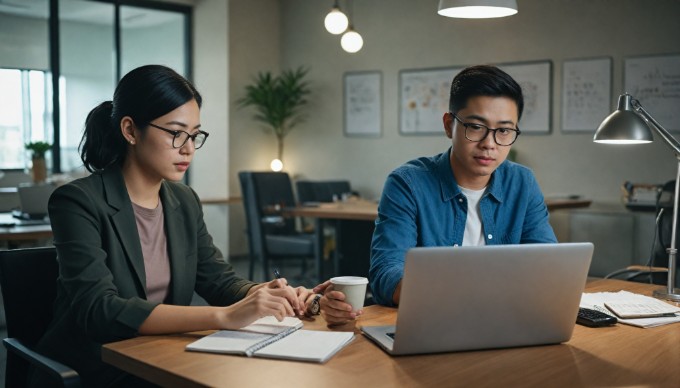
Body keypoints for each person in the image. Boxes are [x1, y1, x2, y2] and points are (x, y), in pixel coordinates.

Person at [30, 64, 314, 387]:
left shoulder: (184, 201)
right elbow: (99, 310)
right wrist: (224, 316)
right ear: (130, 130)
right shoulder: (77, 201)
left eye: (194, 135)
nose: (188, 148)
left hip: (162, 358)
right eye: (176, 133)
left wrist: (264, 294)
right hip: (96, 370)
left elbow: (219, 281)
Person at [323, 65, 557, 320]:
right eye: (476, 127)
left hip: (506, 319)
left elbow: (546, 266)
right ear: (449, 125)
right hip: (432, 320)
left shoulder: (522, 182)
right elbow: (386, 272)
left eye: (503, 130)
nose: (489, 144)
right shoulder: (408, 183)